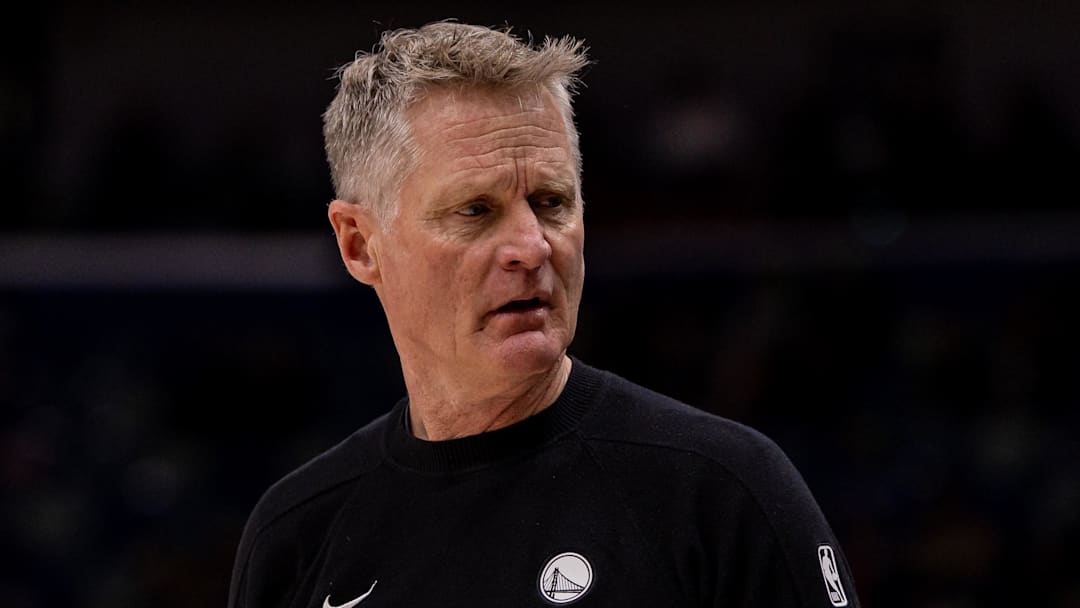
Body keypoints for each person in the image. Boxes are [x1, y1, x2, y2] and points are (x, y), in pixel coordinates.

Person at [228, 20, 860, 608]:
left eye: (552, 201)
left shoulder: (722, 495)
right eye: (475, 210)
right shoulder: (297, 537)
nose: (532, 246)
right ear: (360, 245)